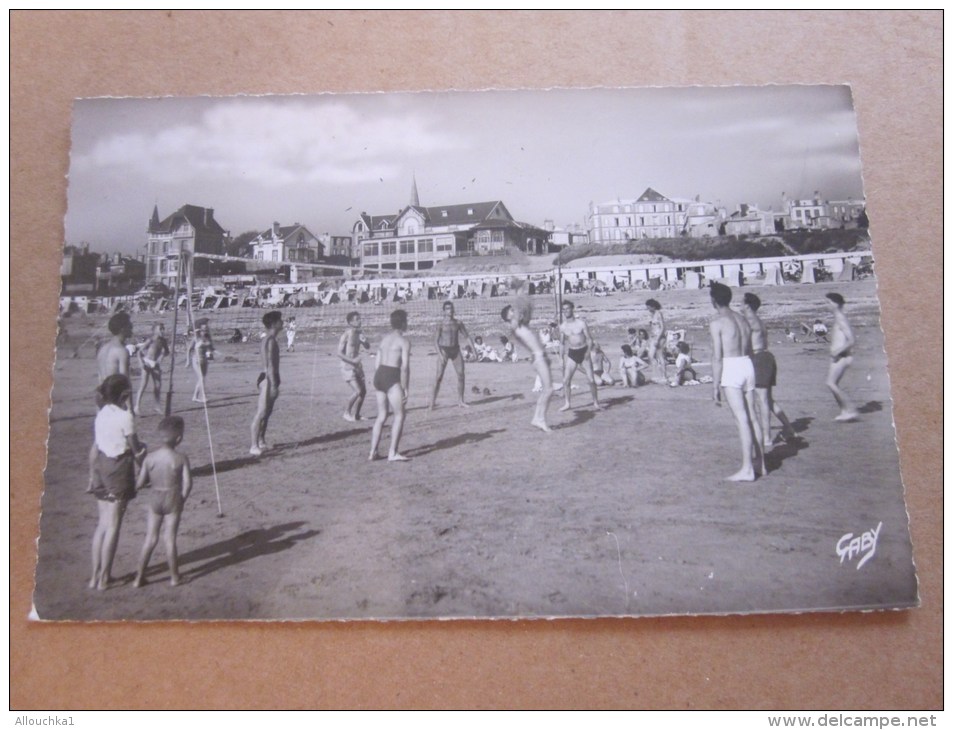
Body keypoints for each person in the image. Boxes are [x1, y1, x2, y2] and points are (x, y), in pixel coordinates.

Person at [87, 374, 146, 590]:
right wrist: (145, 462)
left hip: (100, 467)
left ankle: (95, 576)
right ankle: (105, 578)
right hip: (118, 469)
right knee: (113, 526)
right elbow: (136, 449)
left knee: (102, 524)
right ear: (125, 394)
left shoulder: (102, 413)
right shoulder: (125, 417)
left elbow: (98, 444)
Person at [709, 282, 764, 481]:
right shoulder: (743, 319)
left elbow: (717, 356)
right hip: (747, 364)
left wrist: (715, 385)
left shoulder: (717, 322)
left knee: (741, 419)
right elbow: (749, 349)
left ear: (713, 300)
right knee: (752, 416)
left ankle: (748, 469)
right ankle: (760, 463)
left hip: (731, 367)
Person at [133, 416, 192, 588]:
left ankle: (138, 578)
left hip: (155, 498)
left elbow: (140, 483)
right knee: (170, 539)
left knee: (150, 538)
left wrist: (139, 460)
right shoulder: (181, 458)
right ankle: (174, 577)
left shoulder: (150, 458)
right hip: (173, 497)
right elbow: (188, 484)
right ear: (179, 439)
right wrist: (182, 499)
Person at [742, 293, 798, 446]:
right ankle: (789, 428)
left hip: (759, 359)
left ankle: (767, 437)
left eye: (742, 304)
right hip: (765, 358)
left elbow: (743, 343)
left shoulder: (750, 320)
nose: (740, 307)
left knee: (763, 401)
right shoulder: (758, 320)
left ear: (747, 305)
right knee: (768, 400)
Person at [502, 300, 553, 432]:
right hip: (538, 357)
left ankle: (538, 418)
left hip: (540, 356)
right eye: (511, 311)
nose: (514, 312)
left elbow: (526, 312)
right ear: (508, 317)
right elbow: (519, 313)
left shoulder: (521, 326)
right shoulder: (514, 326)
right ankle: (539, 419)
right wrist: (518, 293)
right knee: (548, 390)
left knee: (547, 390)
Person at [370, 309, 411, 461]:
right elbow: (405, 368)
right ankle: (392, 452)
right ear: (403, 323)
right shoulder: (404, 341)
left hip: (379, 375)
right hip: (391, 375)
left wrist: (379, 378)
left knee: (381, 416)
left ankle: (372, 452)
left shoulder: (384, 339)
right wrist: (406, 387)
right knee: (400, 415)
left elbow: (377, 362)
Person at [429, 300, 476, 410]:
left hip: (455, 350)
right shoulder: (441, 324)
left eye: (451, 308)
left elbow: (467, 337)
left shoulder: (458, 323)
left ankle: (461, 401)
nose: (450, 311)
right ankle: (432, 402)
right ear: (444, 311)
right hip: (444, 351)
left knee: (461, 375)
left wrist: (474, 351)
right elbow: (435, 341)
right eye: (447, 309)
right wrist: (440, 354)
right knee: (438, 377)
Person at [558, 300, 602, 411]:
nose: (566, 311)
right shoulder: (563, 327)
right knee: (566, 380)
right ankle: (567, 403)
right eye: (564, 309)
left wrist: (588, 352)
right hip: (572, 353)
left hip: (583, 352)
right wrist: (560, 358)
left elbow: (589, 339)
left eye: (568, 308)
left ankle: (595, 403)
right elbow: (562, 343)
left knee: (591, 380)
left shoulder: (581, 323)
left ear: (572, 309)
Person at [250, 311, 283, 456]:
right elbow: (269, 365)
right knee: (261, 412)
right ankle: (253, 445)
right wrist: (273, 384)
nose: (283, 322)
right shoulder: (269, 340)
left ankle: (261, 441)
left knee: (267, 413)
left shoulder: (272, 339)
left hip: (272, 377)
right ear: (274, 323)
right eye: (280, 320)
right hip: (267, 379)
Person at [825, 292, 859, 422]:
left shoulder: (840, 318)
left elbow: (851, 340)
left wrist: (837, 352)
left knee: (831, 383)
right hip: (839, 357)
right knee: (833, 384)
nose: (827, 305)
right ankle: (845, 411)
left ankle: (850, 410)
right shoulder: (838, 317)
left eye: (828, 302)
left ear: (836, 304)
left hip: (842, 356)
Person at [338, 311, 370, 422]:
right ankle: (346, 413)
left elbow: (368, 347)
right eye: (357, 319)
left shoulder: (360, 333)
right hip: (347, 366)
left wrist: (365, 341)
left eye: (360, 318)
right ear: (350, 322)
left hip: (357, 366)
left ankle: (356, 415)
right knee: (357, 391)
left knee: (363, 391)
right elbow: (339, 353)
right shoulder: (346, 334)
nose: (360, 320)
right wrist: (352, 361)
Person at [134, 323, 170, 415]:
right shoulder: (151, 340)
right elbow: (139, 352)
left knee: (158, 385)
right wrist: (141, 363)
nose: (162, 330)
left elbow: (167, 352)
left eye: (163, 328)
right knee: (143, 384)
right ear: (155, 330)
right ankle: (137, 406)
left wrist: (162, 355)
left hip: (155, 364)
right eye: (160, 329)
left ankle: (157, 406)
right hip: (147, 362)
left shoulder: (164, 341)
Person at [97, 312, 133, 384]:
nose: (132, 328)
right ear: (122, 329)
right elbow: (124, 382)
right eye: (130, 326)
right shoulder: (122, 351)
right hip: (116, 393)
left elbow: (100, 378)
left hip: (104, 392)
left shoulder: (103, 349)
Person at [186, 318, 215, 404]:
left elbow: (211, 348)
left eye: (206, 328)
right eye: (204, 327)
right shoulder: (196, 338)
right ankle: (203, 397)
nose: (206, 329)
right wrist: (188, 361)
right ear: (201, 328)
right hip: (196, 359)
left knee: (201, 379)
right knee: (201, 378)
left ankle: (195, 396)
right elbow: (189, 349)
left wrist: (211, 353)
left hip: (204, 360)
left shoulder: (208, 337)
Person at [646, 299, 667, 383]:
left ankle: (664, 376)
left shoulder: (659, 313)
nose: (648, 309)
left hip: (659, 337)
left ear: (653, 306)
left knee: (660, 356)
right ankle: (657, 374)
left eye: (649, 307)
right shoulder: (653, 314)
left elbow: (662, 327)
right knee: (651, 355)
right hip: (653, 336)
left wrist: (658, 338)